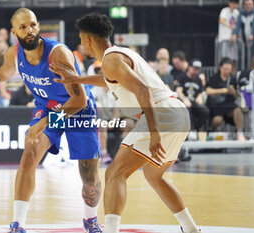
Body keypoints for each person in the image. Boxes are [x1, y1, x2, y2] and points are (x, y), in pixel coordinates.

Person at [0, 8, 102, 233]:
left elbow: (79, 100)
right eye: (23, 27)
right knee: (29, 153)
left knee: (89, 180)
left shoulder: (58, 54)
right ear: (14, 32)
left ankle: (91, 220)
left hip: (77, 110)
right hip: (48, 108)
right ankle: (18, 224)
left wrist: (44, 122)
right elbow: (1, 74)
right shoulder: (14, 53)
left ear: (38, 26)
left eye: (32, 25)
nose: (29, 30)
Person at [50, 13, 202, 233]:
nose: (82, 46)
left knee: (114, 174)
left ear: (89, 40)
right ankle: (190, 229)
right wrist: (77, 79)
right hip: (177, 113)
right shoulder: (120, 55)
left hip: (161, 114)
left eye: (82, 40)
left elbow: (142, 89)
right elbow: (110, 81)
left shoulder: (110, 59)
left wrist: (154, 132)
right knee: (153, 175)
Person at [206, 57, 245, 140]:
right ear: (220, 68)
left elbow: (237, 96)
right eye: (225, 68)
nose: (226, 71)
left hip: (229, 105)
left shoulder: (233, 79)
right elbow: (208, 91)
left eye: (228, 69)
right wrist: (222, 90)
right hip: (217, 106)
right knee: (217, 120)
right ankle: (213, 132)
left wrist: (233, 92)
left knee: (238, 110)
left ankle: (240, 132)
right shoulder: (215, 78)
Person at [175, 59, 210, 133]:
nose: (196, 70)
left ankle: (194, 128)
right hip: (183, 102)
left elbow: (201, 91)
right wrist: (184, 99)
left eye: (197, 69)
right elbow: (178, 91)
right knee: (187, 108)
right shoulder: (182, 77)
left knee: (205, 111)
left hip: (194, 102)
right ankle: (188, 131)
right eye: (194, 68)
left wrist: (199, 97)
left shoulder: (198, 80)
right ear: (189, 67)